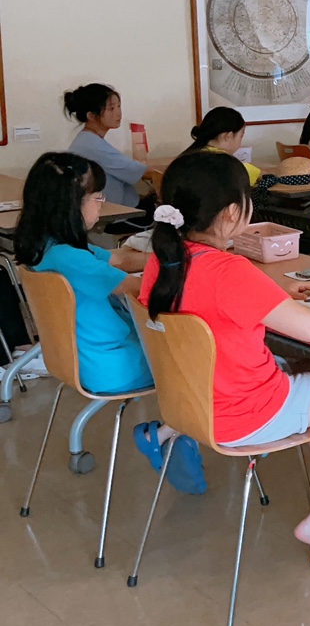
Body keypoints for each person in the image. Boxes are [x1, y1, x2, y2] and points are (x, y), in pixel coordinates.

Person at [140, 149, 310, 565]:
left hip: (194, 407)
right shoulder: (229, 270)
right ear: (232, 212)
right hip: (249, 412)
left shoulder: (164, 261)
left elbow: (214, 307)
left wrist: (278, 297)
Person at [15, 152, 206, 493]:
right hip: (111, 365)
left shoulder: (49, 249)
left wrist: (169, 255)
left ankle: (174, 433)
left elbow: (119, 257)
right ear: (71, 204)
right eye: (97, 198)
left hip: (76, 358)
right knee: (202, 359)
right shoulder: (73, 260)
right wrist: (190, 261)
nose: (101, 205)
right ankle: (167, 433)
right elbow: (139, 287)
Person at [64, 83, 147, 209]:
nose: (119, 112)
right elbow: (135, 170)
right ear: (91, 116)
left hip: (120, 205)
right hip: (114, 214)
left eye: (119, 106)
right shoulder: (91, 145)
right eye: (111, 108)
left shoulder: (88, 140)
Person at [185, 107, 262, 186]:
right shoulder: (228, 166)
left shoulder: (189, 156)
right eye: (241, 136)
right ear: (228, 136)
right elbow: (250, 174)